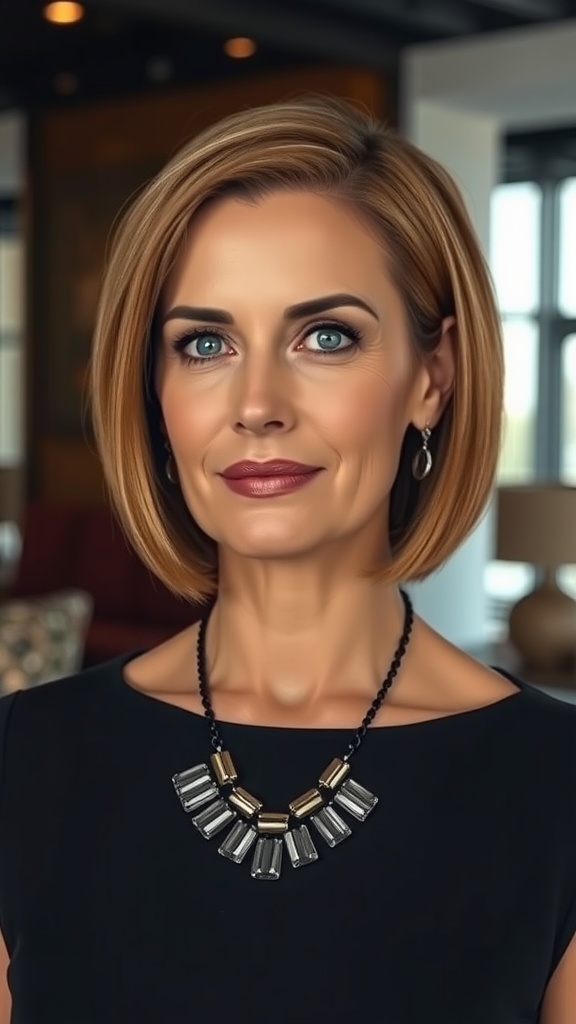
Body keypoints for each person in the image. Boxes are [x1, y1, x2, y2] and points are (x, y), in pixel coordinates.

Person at [0, 95, 574, 1024]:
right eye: (206, 344)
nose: (257, 401)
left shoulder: (555, 788)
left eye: (326, 336)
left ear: (434, 377)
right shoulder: (24, 757)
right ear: (156, 392)